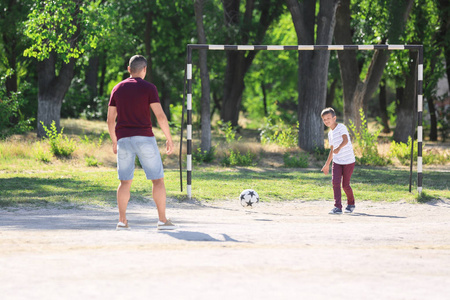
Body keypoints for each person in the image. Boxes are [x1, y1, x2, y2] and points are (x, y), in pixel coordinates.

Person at [107, 55, 177, 230]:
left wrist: (114, 140)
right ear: (144, 69)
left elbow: (110, 120)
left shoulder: (117, 89)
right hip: (144, 138)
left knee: (125, 182)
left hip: (123, 139)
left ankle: (122, 221)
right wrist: (169, 138)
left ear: (129, 69)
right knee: (157, 180)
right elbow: (160, 116)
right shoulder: (149, 88)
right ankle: (162, 220)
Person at [320, 107, 356, 214]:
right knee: (335, 182)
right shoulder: (330, 133)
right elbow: (332, 150)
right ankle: (338, 207)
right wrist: (327, 165)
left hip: (348, 161)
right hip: (337, 161)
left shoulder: (341, 127)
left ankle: (351, 204)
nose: (326, 121)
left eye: (328, 118)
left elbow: (345, 140)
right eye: (324, 119)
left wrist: (339, 148)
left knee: (345, 185)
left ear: (334, 118)